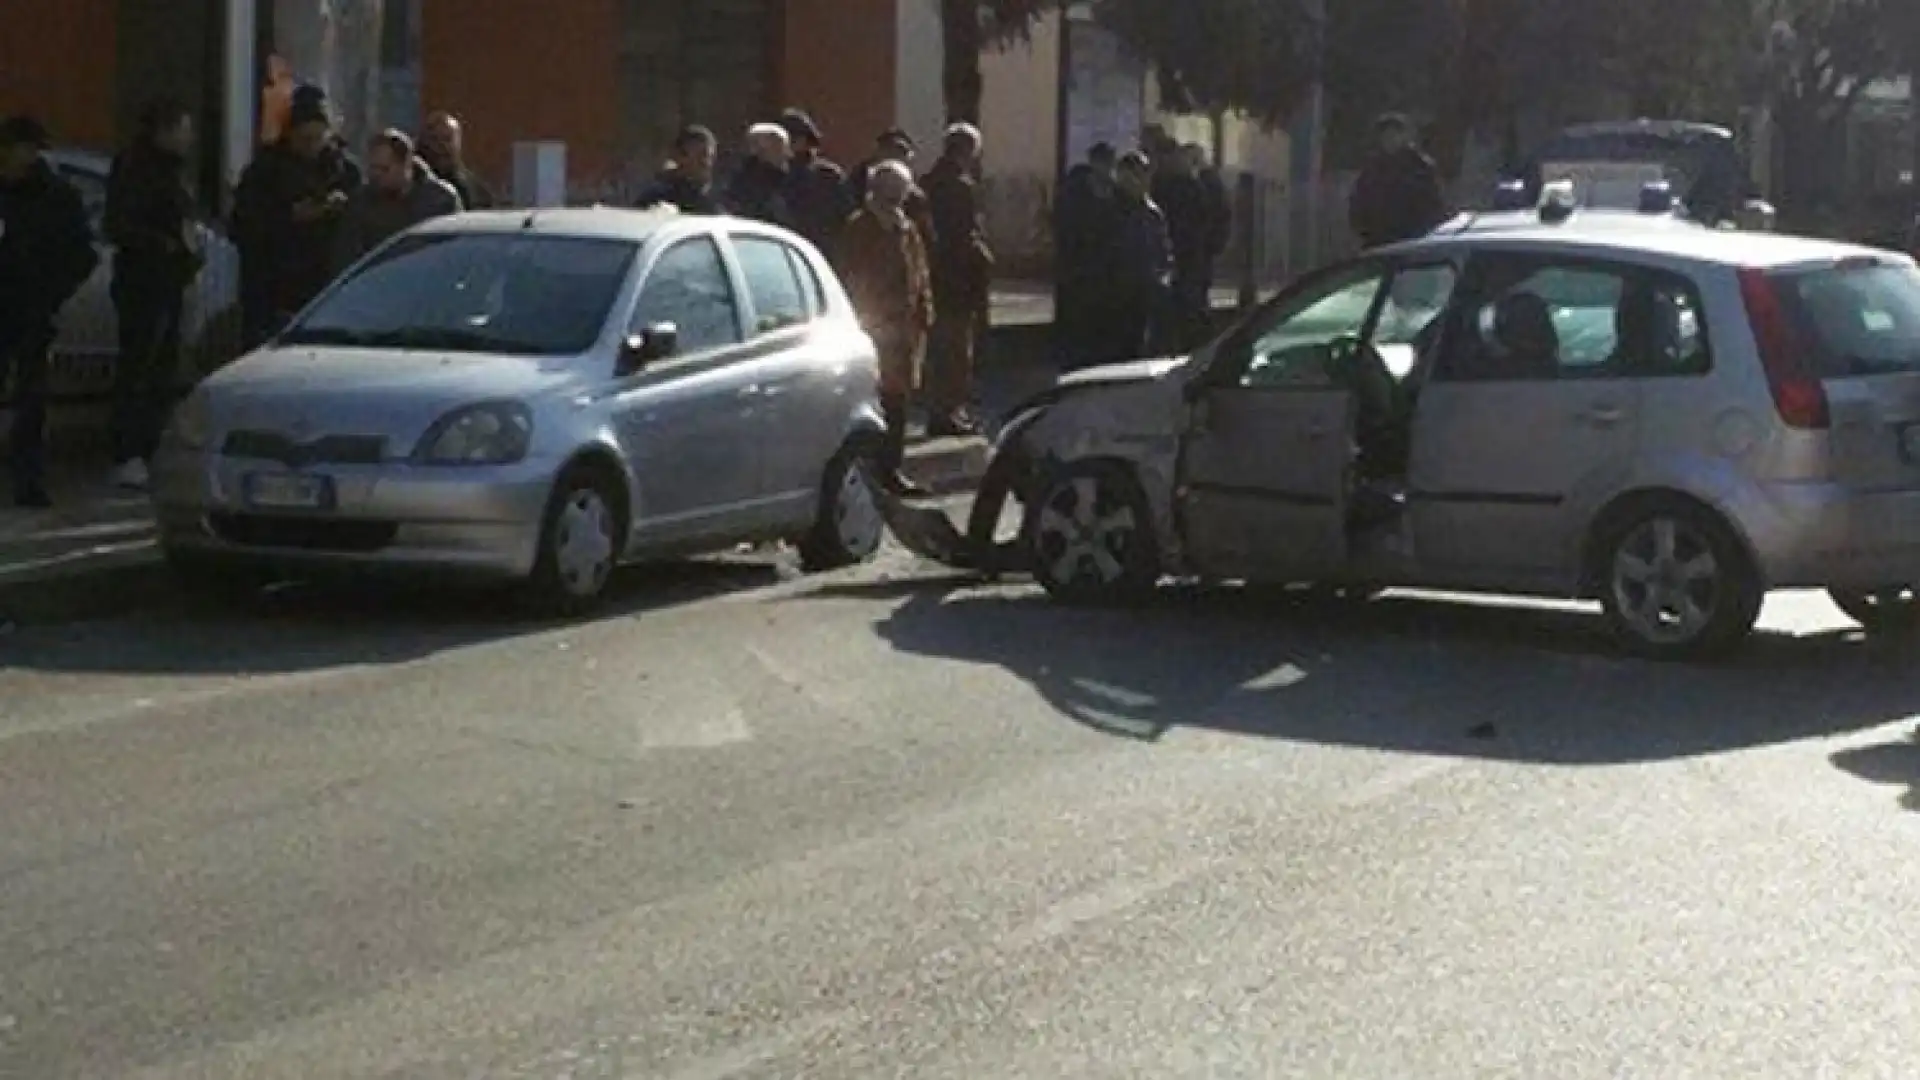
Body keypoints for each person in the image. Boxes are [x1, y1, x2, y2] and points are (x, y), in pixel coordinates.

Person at [103, 98, 204, 492]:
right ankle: (129, 452)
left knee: (163, 368)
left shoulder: (174, 171)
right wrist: (164, 245)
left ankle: (149, 448)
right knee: (140, 366)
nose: (189, 137)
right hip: (144, 280)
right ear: (163, 131)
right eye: (182, 128)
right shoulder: (136, 168)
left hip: (170, 279)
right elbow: (121, 224)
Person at [0, 116, 99, 508]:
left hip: (30, 309)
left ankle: (28, 479)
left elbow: (81, 254)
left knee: (30, 397)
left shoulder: (55, 196)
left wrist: (50, 294)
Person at [231, 85, 362, 346]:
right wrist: (289, 217)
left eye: (317, 137)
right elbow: (243, 223)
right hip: (272, 282)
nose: (310, 146)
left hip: (326, 279)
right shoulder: (265, 170)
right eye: (304, 138)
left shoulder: (345, 171)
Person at [838, 160, 935, 497]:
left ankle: (892, 467)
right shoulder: (861, 227)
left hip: (904, 331)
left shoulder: (907, 229)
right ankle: (873, 470)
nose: (901, 195)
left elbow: (920, 274)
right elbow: (854, 277)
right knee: (877, 401)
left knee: (899, 404)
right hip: (876, 328)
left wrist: (925, 311)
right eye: (896, 188)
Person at [920, 122, 993, 437]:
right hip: (957, 279)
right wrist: (982, 259)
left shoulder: (927, 182)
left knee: (942, 348)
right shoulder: (960, 187)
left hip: (935, 276)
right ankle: (947, 411)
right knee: (956, 349)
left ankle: (947, 409)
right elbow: (964, 234)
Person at [332, 128, 461, 271]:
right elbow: (347, 259)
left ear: (406, 166)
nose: (375, 175)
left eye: (384, 169)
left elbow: (454, 253)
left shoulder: (440, 200)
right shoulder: (360, 203)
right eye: (372, 168)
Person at [1053, 143, 1121, 369]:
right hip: (1078, 273)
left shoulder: (1115, 193)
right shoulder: (1074, 194)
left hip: (1105, 275)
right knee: (1076, 328)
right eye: (1103, 163)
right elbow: (1066, 231)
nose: (1107, 169)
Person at [1105, 150, 1172, 362]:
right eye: (1133, 175)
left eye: (1143, 174)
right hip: (1116, 288)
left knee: (1142, 343)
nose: (1139, 180)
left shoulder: (1152, 212)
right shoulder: (1110, 209)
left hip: (1146, 287)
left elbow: (1163, 248)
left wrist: (1163, 274)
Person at [1348, 112, 1447, 250]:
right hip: (1378, 241)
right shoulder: (1372, 168)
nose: (1390, 139)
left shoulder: (1420, 167)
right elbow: (1358, 203)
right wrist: (1365, 229)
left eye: (1395, 134)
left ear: (1404, 136)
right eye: (1386, 135)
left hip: (1413, 242)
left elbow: (1435, 206)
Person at [1151, 143, 1212, 352]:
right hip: (1182, 255)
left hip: (1189, 256)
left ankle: (1188, 345)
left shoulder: (1191, 186)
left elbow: (1208, 219)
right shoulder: (1171, 185)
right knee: (1180, 308)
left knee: (1188, 307)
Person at [779, 108, 854, 256]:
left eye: (792, 139)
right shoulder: (773, 174)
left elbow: (846, 216)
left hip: (821, 249)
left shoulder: (828, 175)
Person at [848, 129, 934, 245]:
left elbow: (925, 238)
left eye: (900, 153)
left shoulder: (915, 200)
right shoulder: (857, 186)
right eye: (889, 151)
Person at [635, 125, 723, 214]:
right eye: (700, 156)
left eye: (709, 157)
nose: (706, 163)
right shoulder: (657, 195)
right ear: (680, 156)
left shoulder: (717, 199)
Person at [419, 111, 495, 210]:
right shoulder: (414, 187)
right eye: (434, 139)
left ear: (458, 142)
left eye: (447, 138)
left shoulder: (476, 192)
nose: (441, 145)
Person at [726, 123, 795, 228]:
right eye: (780, 148)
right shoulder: (745, 185)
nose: (788, 154)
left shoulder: (788, 181)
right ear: (761, 150)